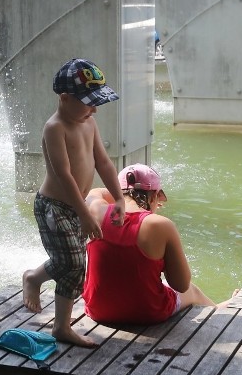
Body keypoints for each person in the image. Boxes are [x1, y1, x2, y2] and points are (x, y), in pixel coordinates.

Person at [21, 58, 125, 347]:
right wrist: (85, 213)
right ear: (64, 99)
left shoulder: (88, 122)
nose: (93, 109)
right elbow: (63, 175)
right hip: (54, 207)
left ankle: (53, 313)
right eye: (88, 102)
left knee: (74, 265)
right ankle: (43, 294)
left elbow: (103, 161)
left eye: (96, 103)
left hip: (75, 207)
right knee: (72, 260)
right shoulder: (55, 128)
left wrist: (118, 197)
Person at [82, 164, 223, 325]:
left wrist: (121, 193)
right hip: (149, 311)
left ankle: (219, 307)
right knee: (193, 290)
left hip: (98, 310)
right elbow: (181, 284)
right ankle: (219, 309)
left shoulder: (96, 209)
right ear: (154, 196)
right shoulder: (161, 224)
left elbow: (96, 192)